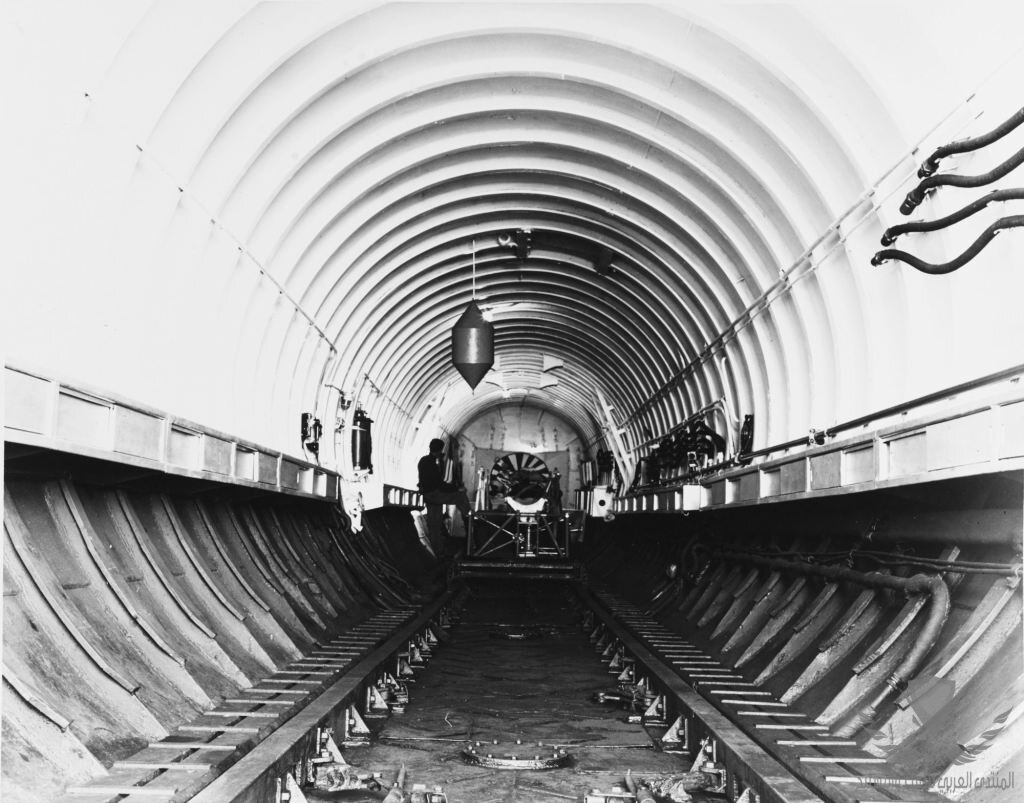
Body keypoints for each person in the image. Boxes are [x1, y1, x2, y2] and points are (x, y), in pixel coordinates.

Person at [417, 438, 471, 552]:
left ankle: (438, 549)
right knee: (460, 497)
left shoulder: (425, 461)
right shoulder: (431, 463)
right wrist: (457, 488)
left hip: (429, 495)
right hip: (433, 494)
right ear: (438, 450)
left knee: (434, 523)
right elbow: (439, 484)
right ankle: (469, 520)